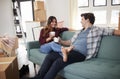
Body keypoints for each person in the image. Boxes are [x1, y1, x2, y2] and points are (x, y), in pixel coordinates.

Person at [27, 13, 120, 79]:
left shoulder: (97, 29)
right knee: (50, 56)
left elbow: (115, 32)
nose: (80, 21)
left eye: (82, 19)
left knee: (58, 62)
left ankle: (65, 53)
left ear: (87, 20)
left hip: (80, 54)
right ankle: (38, 77)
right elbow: (69, 42)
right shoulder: (79, 31)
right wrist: (60, 41)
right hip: (70, 49)